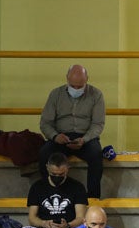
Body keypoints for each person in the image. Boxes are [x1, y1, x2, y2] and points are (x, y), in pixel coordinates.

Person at [38, 64, 106, 199]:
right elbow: (45, 123)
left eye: (80, 86)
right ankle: (47, 194)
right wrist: (55, 136)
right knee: (44, 154)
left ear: (87, 80)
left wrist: (85, 139)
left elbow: (98, 124)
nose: (76, 89)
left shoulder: (96, 95)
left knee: (96, 156)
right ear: (67, 79)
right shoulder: (55, 94)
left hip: (86, 138)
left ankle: (93, 198)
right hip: (60, 137)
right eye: (73, 85)